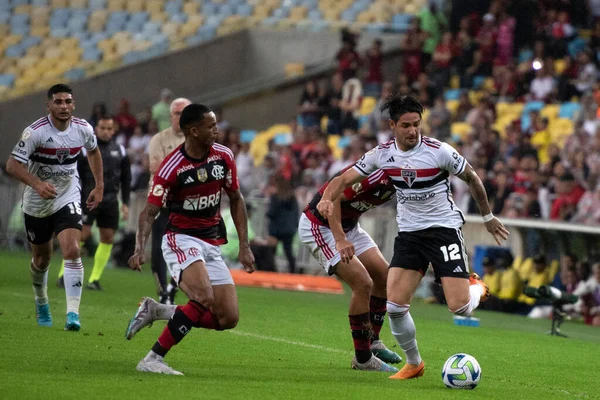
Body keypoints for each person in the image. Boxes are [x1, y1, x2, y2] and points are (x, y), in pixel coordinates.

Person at [317, 95, 509, 379]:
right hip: (409, 235)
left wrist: (489, 217)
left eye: (417, 124)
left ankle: (476, 288)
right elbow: (342, 180)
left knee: (460, 308)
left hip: (444, 231)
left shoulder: (439, 151)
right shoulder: (382, 154)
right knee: (395, 306)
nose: (412, 131)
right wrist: (326, 198)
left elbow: (473, 178)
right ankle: (414, 363)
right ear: (393, 125)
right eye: (406, 125)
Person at [124, 104, 255, 375]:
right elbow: (149, 212)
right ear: (193, 131)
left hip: (210, 241)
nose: (217, 130)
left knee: (227, 317)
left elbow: (235, 198)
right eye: (211, 126)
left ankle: (158, 311)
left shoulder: (224, 156)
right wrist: (139, 249)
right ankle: (152, 359)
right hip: (180, 238)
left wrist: (244, 245)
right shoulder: (172, 167)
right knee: (204, 297)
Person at [5, 83, 104, 331]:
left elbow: (93, 151)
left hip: (67, 194)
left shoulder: (82, 129)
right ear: (48, 105)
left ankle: (72, 314)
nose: (63, 106)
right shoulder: (35, 133)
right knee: (42, 259)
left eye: (68, 101)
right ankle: (41, 301)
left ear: (73, 104)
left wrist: (99, 185)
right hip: (37, 202)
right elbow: (12, 165)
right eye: (58, 102)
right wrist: (37, 184)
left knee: (72, 249)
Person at [299, 165, 401, 372]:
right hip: (320, 227)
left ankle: (372, 343)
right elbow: (335, 194)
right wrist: (339, 239)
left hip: (350, 227)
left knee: (383, 276)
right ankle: (363, 359)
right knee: (363, 283)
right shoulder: (374, 174)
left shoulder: (408, 178)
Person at [57, 115, 132, 290]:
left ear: (114, 130)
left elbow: (126, 180)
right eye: (102, 128)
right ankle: (63, 274)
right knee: (81, 235)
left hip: (111, 200)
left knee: (107, 238)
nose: (106, 132)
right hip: (87, 199)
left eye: (109, 128)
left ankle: (94, 279)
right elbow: (75, 175)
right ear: (96, 129)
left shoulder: (120, 151)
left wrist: (125, 203)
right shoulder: (85, 150)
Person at [147, 97, 191, 304]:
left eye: (184, 113)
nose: (180, 117)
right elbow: (157, 168)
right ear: (170, 115)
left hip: (188, 204)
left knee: (187, 248)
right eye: (177, 113)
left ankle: (174, 287)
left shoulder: (197, 139)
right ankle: (162, 290)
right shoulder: (159, 139)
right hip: (162, 201)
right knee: (159, 246)